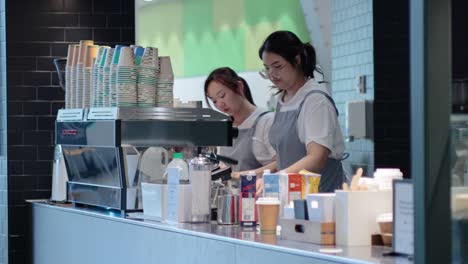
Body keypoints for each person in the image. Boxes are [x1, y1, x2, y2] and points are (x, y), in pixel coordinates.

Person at [251, 30, 346, 193]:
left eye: (277, 66)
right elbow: (285, 159)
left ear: (297, 60)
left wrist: (277, 179)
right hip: (292, 196)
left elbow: (317, 158)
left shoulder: (315, 100)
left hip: (321, 198)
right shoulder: (282, 100)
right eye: (267, 68)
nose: (272, 74)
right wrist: (254, 174)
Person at [204, 67, 276, 176]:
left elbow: (281, 164)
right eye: (214, 101)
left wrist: (239, 175)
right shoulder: (224, 128)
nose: (220, 104)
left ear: (239, 87)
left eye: (222, 96)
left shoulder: (267, 121)